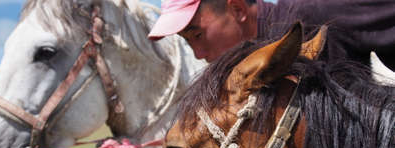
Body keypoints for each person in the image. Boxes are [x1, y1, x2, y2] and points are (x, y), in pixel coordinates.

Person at [148, 0, 395, 70]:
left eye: (198, 35)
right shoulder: (246, 68)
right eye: (187, 41)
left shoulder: (315, 12)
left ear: (237, 9)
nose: (198, 54)